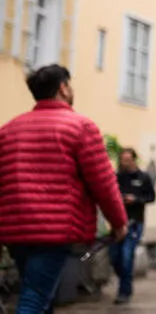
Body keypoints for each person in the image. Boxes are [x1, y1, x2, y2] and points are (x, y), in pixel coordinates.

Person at [0, 65, 128, 314]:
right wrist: (119, 221)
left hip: (15, 230)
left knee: (40, 292)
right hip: (54, 231)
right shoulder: (79, 127)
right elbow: (102, 181)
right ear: (63, 87)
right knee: (34, 297)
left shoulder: (8, 130)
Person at [108, 148, 155, 305]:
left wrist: (136, 199)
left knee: (127, 256)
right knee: (114, 257)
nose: (125, 163)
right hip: (117, 223)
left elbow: (151, 197)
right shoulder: (117, 177)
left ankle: (124, 292)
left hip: (135, 223)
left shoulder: (144, 177)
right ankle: (126, 282)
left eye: (128, 160)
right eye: (123, 160)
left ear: (134, 160)